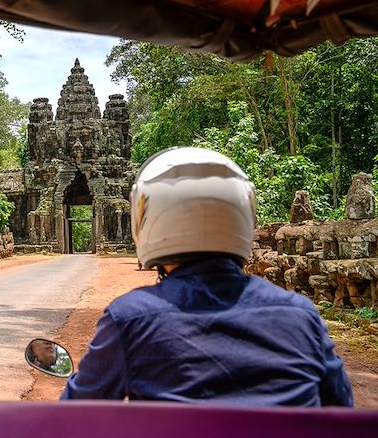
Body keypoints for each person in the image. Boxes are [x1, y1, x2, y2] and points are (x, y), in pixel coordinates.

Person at [61, 147, 353, 406]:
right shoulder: (300, 315)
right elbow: (340, 412)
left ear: (145, 218)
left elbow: (74, 415)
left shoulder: (129, 318)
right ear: (244, 214)